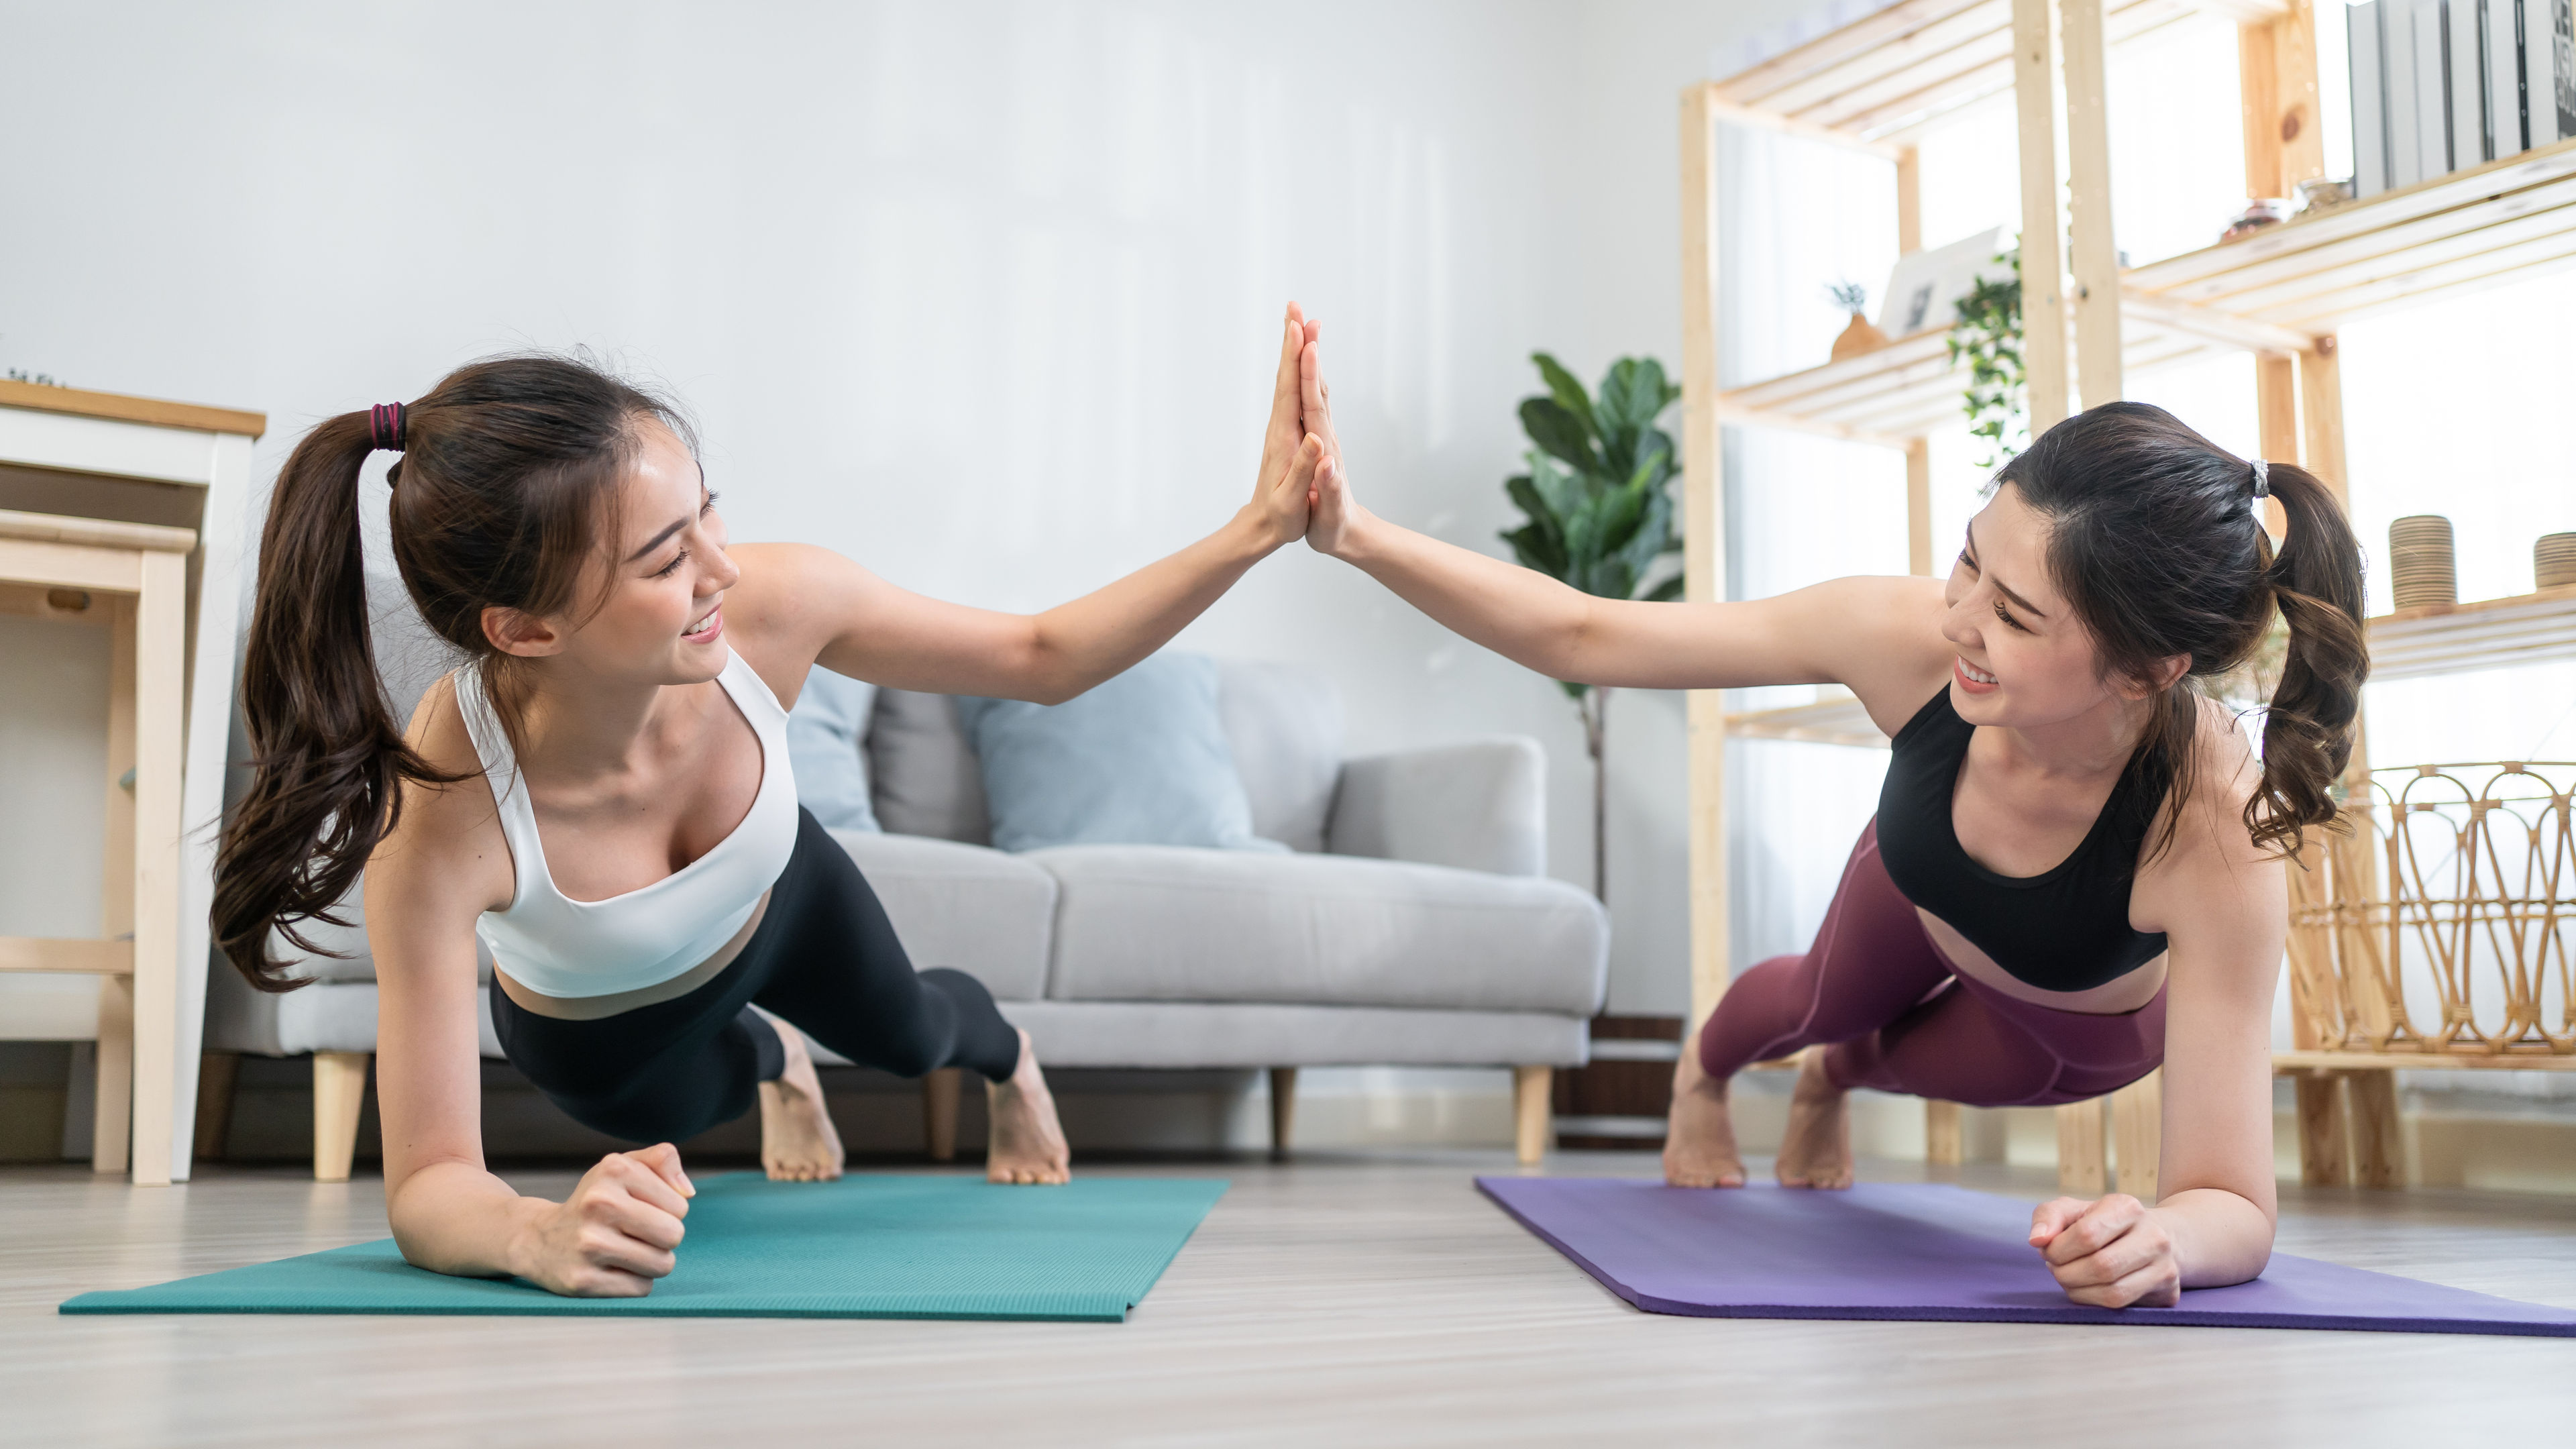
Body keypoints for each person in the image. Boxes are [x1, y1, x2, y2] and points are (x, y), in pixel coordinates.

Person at [215, 309, 1330, 1298]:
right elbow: (431, 1183)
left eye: (710, 514)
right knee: (691, 1101)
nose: (724, 570)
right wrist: (533, 1234)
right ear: (524, 630)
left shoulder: (778, 607)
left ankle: (1011, 1059)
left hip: (779, 898)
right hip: (601, 1025)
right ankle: (778, 1064)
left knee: (912, 1034)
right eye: (666, 562)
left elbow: (1043, 655)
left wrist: (1258, 526)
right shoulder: (449, 808)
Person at [1289, 327, 2364, 1309]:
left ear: (2147, 669)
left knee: (1880, 1059)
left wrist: (2166, 1237)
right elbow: (1586, 635)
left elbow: (2232, 1201)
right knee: (1811, 1001)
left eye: (2016, 616)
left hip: (2076, 1018)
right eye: (1970, 560)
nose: (1957, 620)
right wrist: (1356, 534)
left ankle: (1828, 1085)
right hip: (1919, 880)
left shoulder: (2211, 823)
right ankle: (1699, 1076)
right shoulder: (1904, 635)